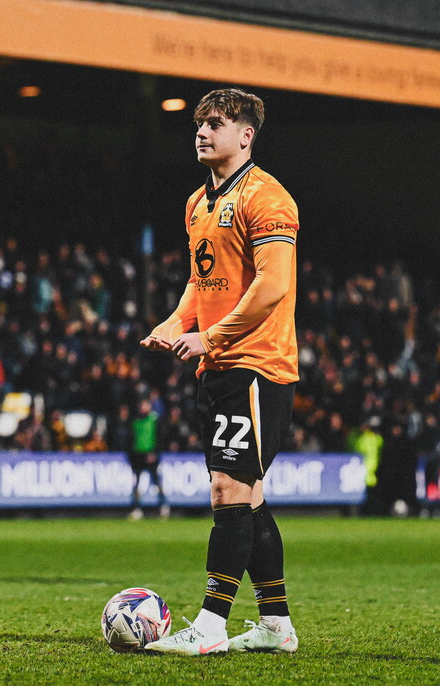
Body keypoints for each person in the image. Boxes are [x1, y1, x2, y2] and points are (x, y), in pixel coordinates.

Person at [141, 89, 299, 655]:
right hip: (220, 367)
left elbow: (272, 285)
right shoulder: (197, 204)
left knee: (227, 489)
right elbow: (200, 280)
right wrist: (174, 322)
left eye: (215, 123)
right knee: (247, 497)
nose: (202, 132)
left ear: (246, 135)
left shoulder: (268, 198)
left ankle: (210, 627)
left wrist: (209, 336)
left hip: (257, 365)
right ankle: (276, 625)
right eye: (199, 124)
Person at [127, 398, 169, 520]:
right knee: (137, 483)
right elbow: (131, 438)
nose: (143, 408)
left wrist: (155, 453)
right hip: (138, 455)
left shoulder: (155, 420)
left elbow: (160, 438)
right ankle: (137, 508)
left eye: (145, 405)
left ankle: (163, 506)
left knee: (156, 482)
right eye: (142, 406)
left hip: (151, 455)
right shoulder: (135, 421)